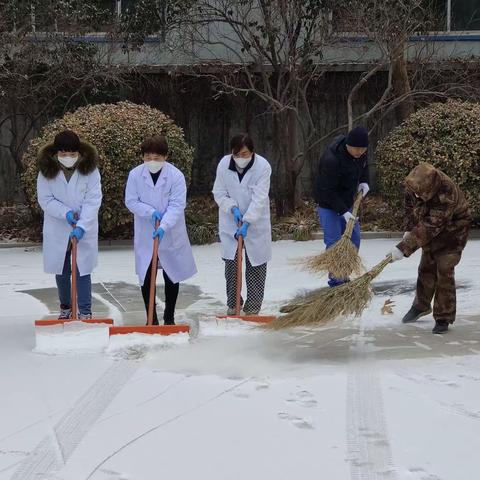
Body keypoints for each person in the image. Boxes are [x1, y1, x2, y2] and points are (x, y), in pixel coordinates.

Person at [387, 163, 471, 334]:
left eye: (419, 193)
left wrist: (404, 247)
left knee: (444, 270)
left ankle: (443, 317)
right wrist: (408, 229)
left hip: (454, 230)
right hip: (430, 226)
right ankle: (421, 306)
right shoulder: (414, 184)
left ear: (431, 187)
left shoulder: (447, 192)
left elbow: (432, 225)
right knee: (426, 267)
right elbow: (410, 209)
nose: (416, 195)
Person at [125, 135, 197, 325]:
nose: (152, 162)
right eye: (148, 157)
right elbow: (131, 201)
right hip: (145, 230)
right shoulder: (135, 175)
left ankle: (169, 317)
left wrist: (164, 225)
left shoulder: (175, 176)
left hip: (170, 232)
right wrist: (149, 212)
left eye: (157, 158)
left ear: (165, 157)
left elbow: (177, 205)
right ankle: (152, 319)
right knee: (147, 274)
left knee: (171, 273)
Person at [37, 130, 102, 320]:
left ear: (80, 153)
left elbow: (93, 200)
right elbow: (45, 199)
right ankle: (65, 308)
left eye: (72, 154)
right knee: (62, 270)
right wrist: (64, 212)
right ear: (56, 153)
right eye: (63, 154)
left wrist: (82, 225)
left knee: (83, 270)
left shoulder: (90, 171)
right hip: (57, 227)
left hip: (84, 227)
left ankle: (85, 311)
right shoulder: (47, 172)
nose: (68, 158)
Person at [212, 134, 272, 315]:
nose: (241, 158)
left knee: (256, 263)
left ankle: (253, 306)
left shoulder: (263, 166)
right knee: (231, 262)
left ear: (252, 152)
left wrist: (247, 221)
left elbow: (260, 198)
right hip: (231, 220)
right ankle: (233, 303)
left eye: (245, 154)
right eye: (237, 154)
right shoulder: (224, 164)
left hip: (256, 221)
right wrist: (232, 209)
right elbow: (219, 192)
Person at [314, 126, 370, 286]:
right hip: (328, 203)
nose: (360, 152)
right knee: (334, 242)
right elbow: (328, 191)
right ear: (348, 145)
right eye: (357, 149)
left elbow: (364, 166)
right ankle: (337, 281)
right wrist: (343, 212)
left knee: (354, 238)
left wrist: (365, 181)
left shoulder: (362, 152)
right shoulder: (331, 160)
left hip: (347, 201)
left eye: (363, 149)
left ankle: (345, 274)